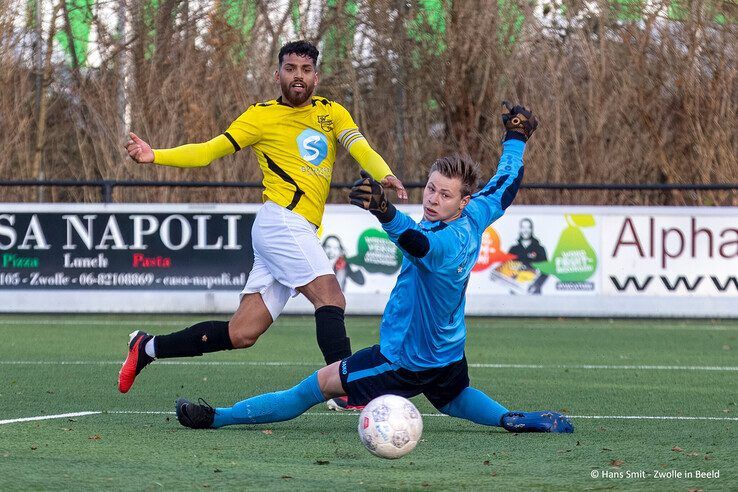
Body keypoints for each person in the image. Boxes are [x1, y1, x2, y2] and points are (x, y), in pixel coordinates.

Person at [174, 103, 574, 435]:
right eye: (431, 187)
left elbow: (419, 243)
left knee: (312, 388)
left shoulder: (447, 243)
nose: (433, 198)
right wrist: (517, 137)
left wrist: (384, 211)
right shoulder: (476, 213)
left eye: (444, 194)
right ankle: (510, 418)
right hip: (447, 354)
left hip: (400, 360)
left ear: (462, 201)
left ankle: (217, 418)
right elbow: (505, 182)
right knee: (453, 397)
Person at [119, 40, 407, 410]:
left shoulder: (332, 113)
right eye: (290, 69)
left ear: (316, 77)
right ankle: (349, 390)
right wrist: (154, 155)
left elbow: (360, 147)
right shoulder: (260, 116)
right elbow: (208, 152)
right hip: (280, 222)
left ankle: (147, 347)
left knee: (241, 333)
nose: (297, 76)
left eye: (305, 70)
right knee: (330, 297)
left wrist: (384, 174)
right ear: (278, 74)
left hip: (296, 229)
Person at [508, 218, 549, 294]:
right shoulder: (513, 249)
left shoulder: (540, 249)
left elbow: (546, 270)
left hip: (534, 293)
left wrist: (536, 285)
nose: (525, 230)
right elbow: (507, 268)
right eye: (523, 227)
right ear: (520, 229)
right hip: (515, 292)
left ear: (531, 229)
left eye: (528, 227)